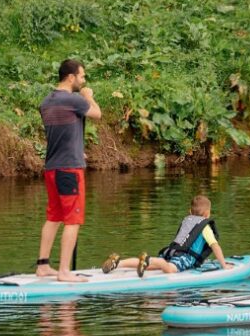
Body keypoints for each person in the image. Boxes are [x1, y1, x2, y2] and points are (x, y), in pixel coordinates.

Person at [38, 58, 102, 282]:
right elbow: (97, 114)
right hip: (69, 169)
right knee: (73, 220)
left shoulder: (46, 102)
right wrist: (88, 96)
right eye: (82, 76)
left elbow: (63, 131)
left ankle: (43, 266)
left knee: (53, 216)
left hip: (52, 168)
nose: (84, 80)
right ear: (71, 77)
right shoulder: (74, 100)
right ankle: (64, 272)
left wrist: (77, 149)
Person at [101, 195, 231, 276]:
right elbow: (215, 246)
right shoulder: (204, 226)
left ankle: (119, 263)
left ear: (190, 211)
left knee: (151, 267)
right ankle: (151, 260)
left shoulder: (188, 220)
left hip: (170, 251)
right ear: (207, 214)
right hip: (184, 257)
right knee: (169, 269)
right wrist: (224, 265)